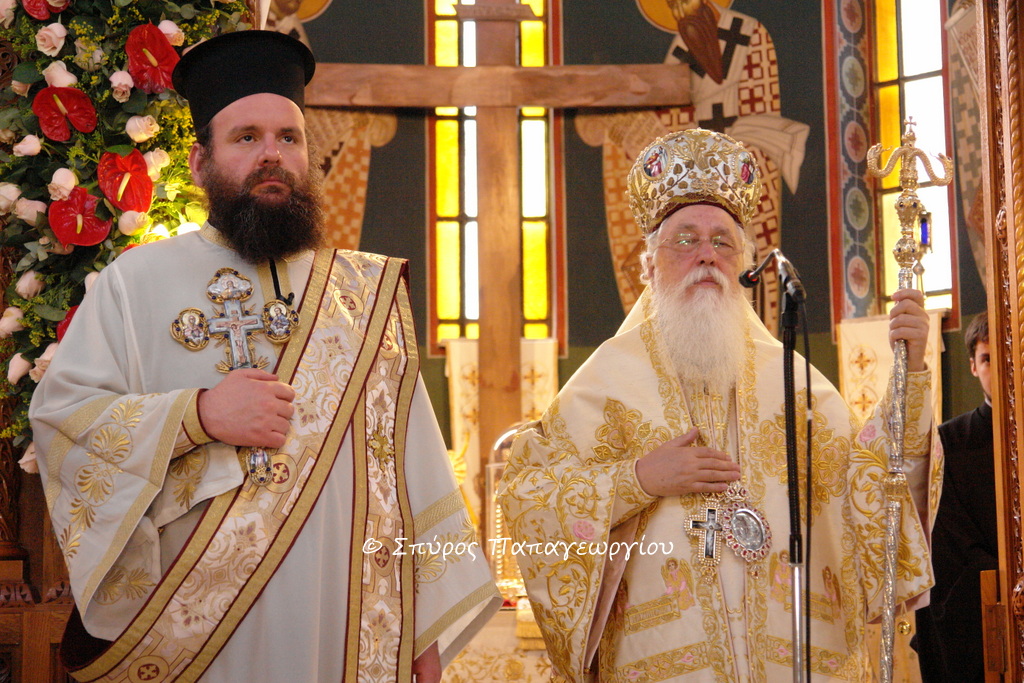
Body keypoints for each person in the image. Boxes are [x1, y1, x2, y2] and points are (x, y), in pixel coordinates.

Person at [30, 30, 499, 682]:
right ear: (201, 163)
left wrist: (422, 639)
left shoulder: (361, 296)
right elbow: (64, 420)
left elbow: (409, 472)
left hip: (343, 618)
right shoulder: (134, 284)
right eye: (246, 137)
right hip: (199, 629)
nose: (272, 154)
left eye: (289, 137)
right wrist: (198, 415)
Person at [497, 128, 939, 682]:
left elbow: (872, 484)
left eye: (723, 242)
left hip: (790, 658)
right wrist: (638, 478)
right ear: (649, 264)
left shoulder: (792, 377)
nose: (706, 255)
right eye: (685, 240)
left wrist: (910, 374)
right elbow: (528, 495)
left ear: (745, 266)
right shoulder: (607, 379)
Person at [914, 312, 996, 682]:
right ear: (974, 367)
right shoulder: (949, 442)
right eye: (987, 359)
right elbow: (947, 537)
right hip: (981, 610)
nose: (998, 369)